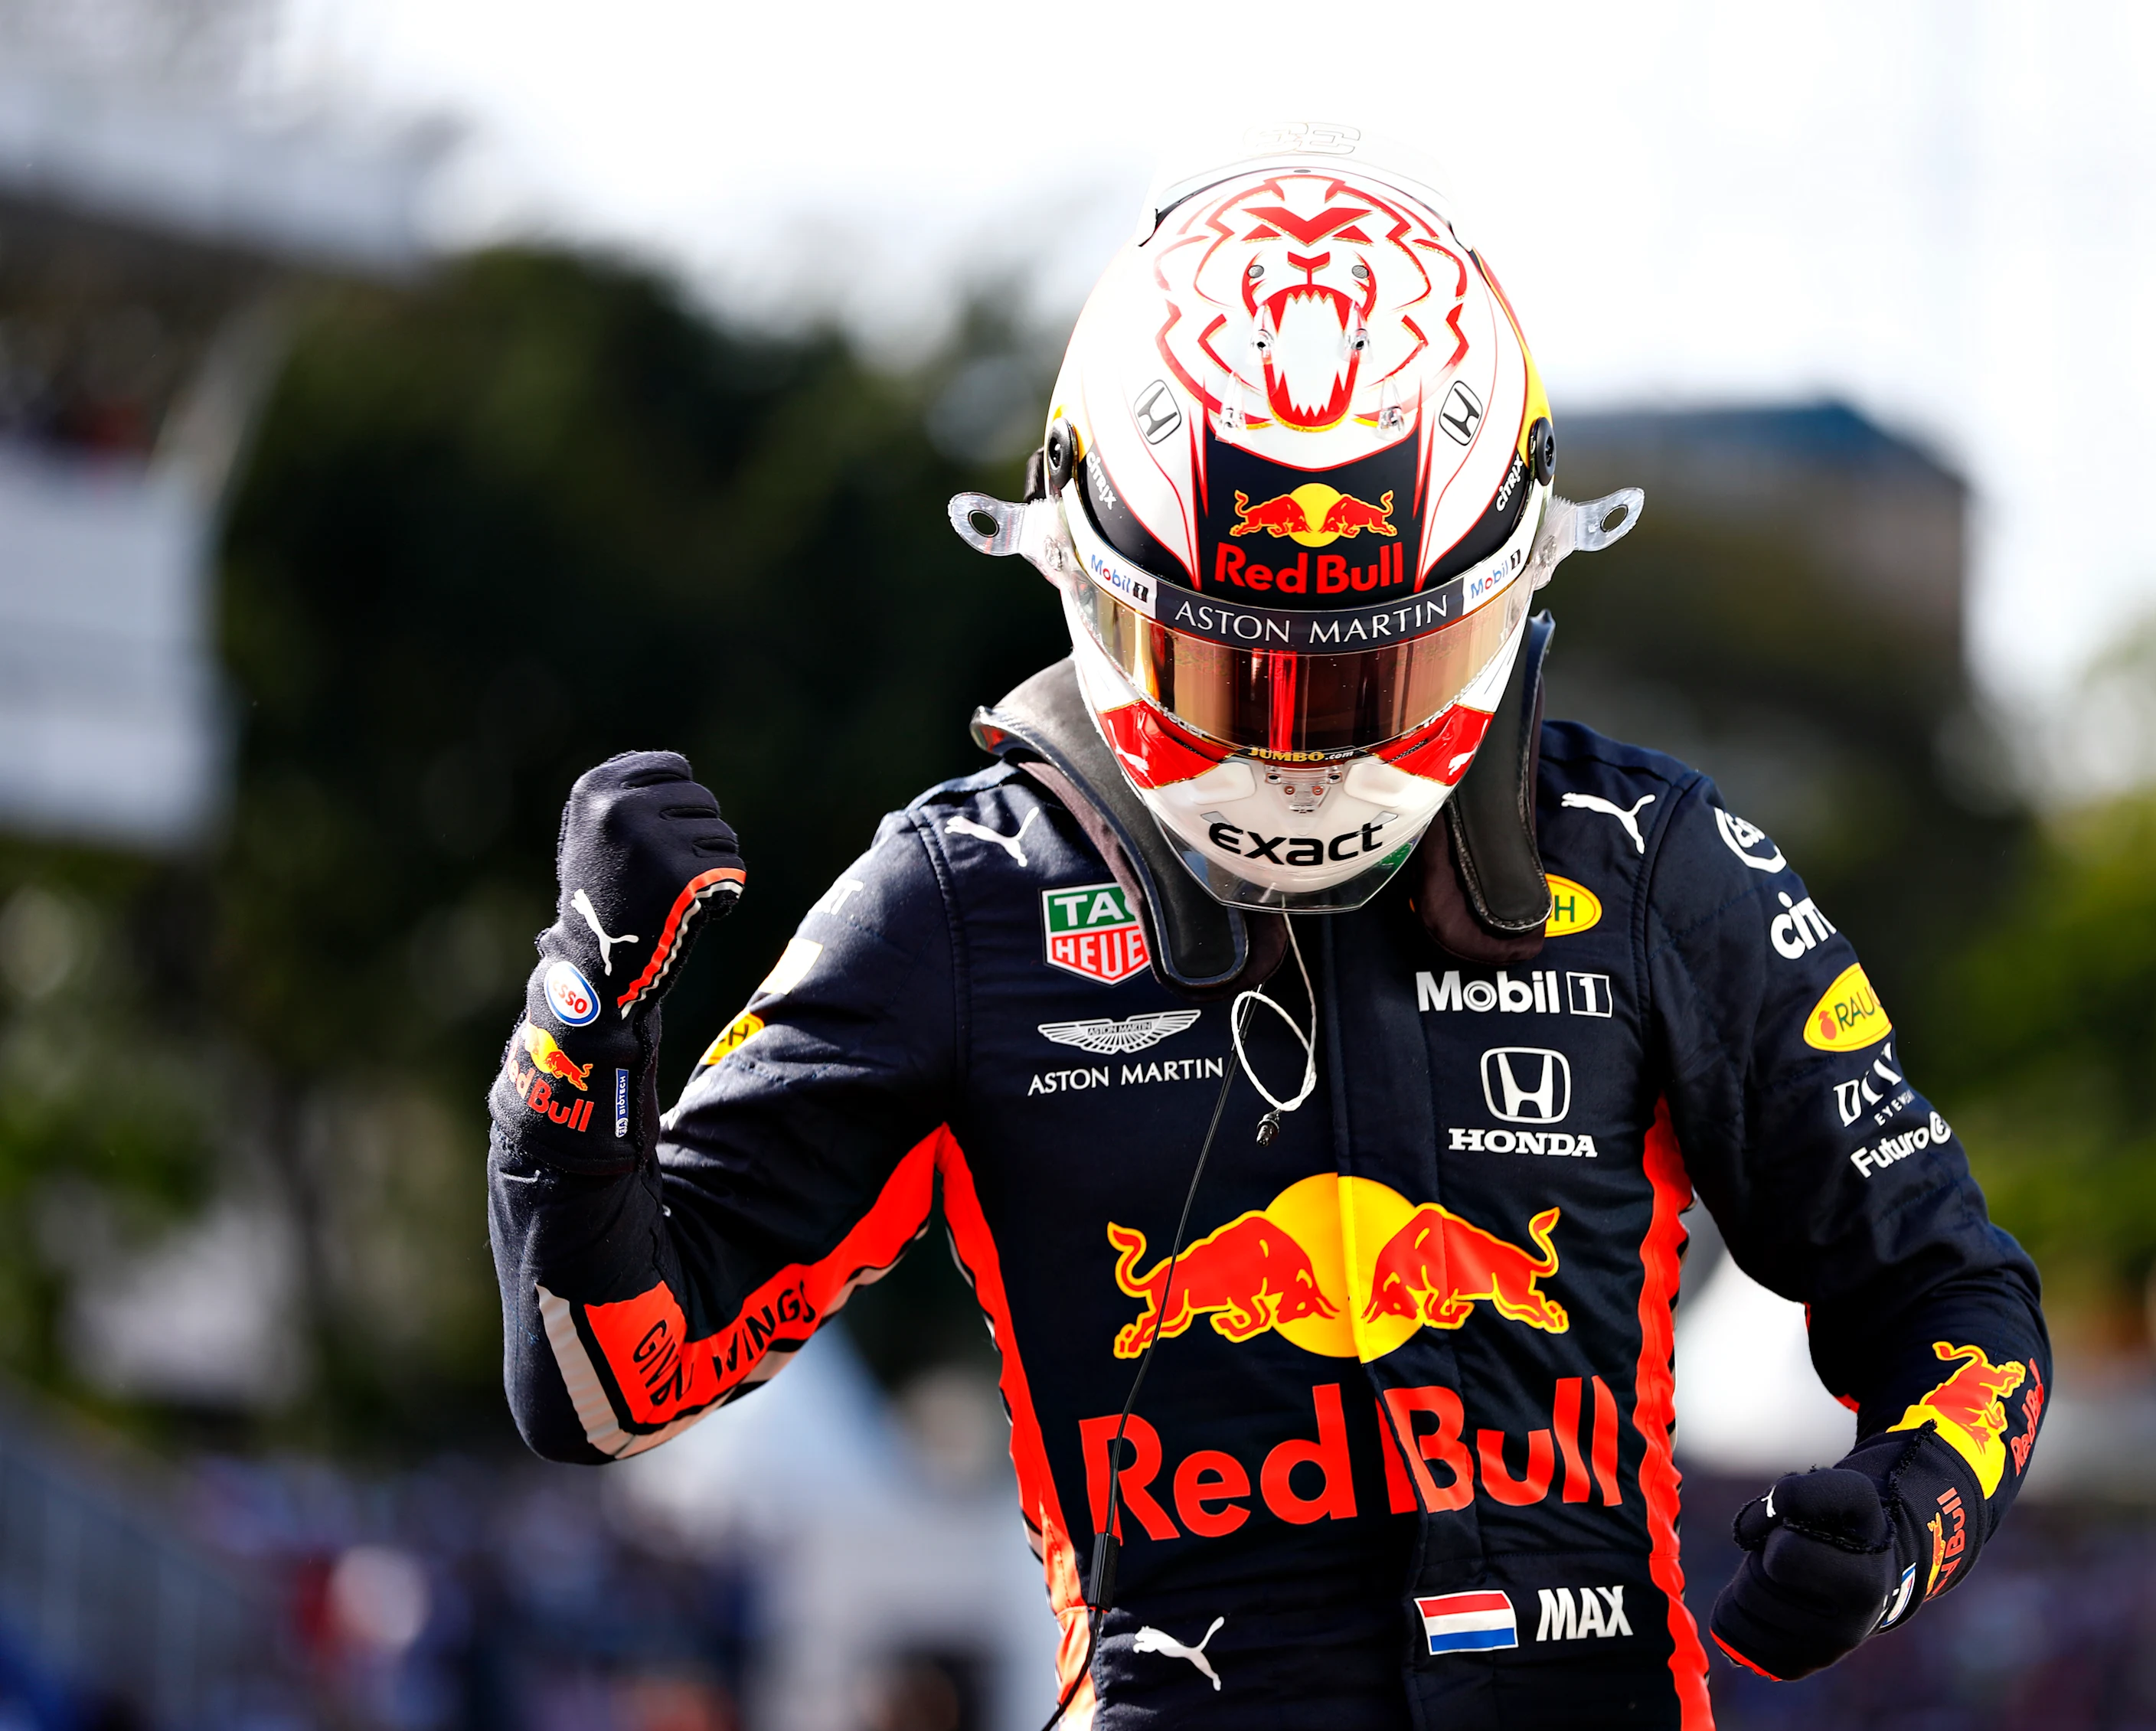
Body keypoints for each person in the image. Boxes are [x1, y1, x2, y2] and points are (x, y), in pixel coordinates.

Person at [486, 126, 2049, 1730]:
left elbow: (1952, 1295)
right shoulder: (959, 898)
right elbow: (606, 1379)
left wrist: (1902, 1519)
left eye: (1369, 674)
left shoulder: (1655, 860)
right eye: (1241, 671)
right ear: (1091, 580)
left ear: (1502, 595)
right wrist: (581, 1025)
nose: (1304, 744)